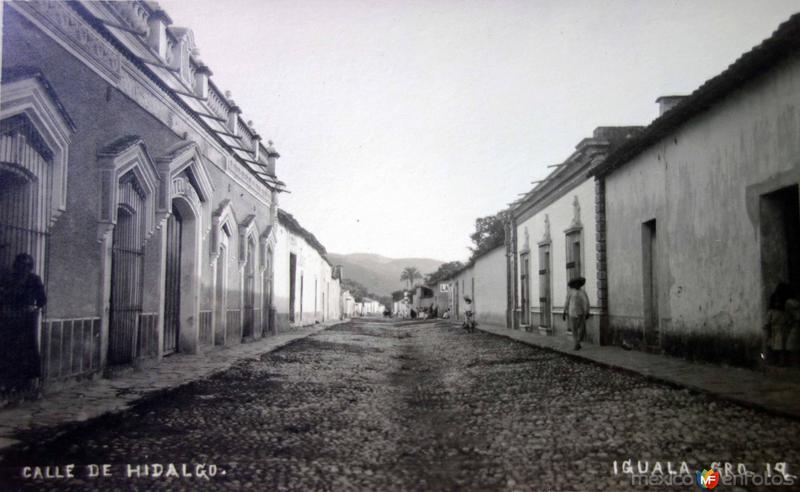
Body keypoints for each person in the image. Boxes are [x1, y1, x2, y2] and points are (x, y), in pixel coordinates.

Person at [0, 254, 47, 394]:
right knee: (11, 350)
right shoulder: (9, 278)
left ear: (30, 267)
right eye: (21, 265)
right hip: (11, 319)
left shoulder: (34, 280)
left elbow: (42, 300)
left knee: (24, 350)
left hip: (24, 320)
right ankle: (10, 383)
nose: (23, 268)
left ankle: (23, 384)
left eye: (26, 265)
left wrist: (33, 308)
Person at [762, 282, 800, 365]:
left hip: (785, 332)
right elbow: (767, 325)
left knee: (785, 349)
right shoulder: (774, 312)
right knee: (778, 350)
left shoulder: (788, 306)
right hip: (779, 333)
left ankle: (784, 363)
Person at [563, 276, 590, 350]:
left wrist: (587, 311)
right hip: (572, 313)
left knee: (582, 329)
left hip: (581, 313)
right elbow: (567, 302)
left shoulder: (583, 292)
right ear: (574, 284)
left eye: (579, 284)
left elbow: (586, 302)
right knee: (574, 329)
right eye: (576, 284)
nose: (577, 285)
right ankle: (576, 344)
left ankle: (578, 342)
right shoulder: (570, 292)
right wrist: (564, 312)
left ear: (580, 284)